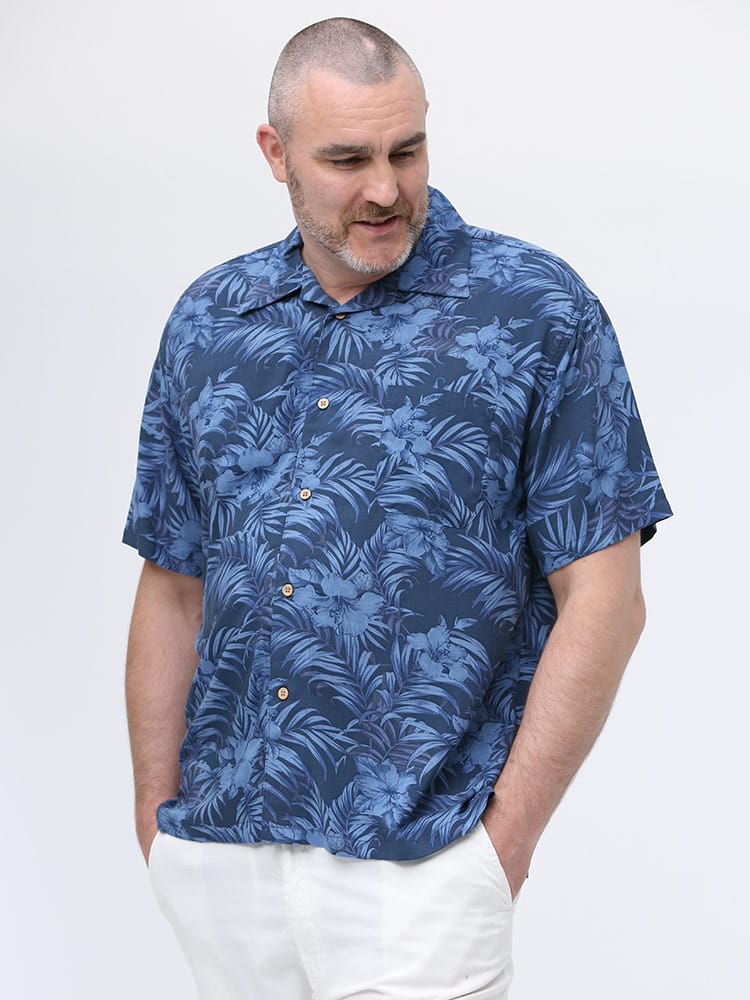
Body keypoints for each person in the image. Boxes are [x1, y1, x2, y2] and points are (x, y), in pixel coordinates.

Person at [123, 17, 671, 1000]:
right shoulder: (210, 320)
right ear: (276, 153)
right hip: (222, 860)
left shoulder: (534, 310)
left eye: (406, 150)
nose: (384, 188)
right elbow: (173, 586)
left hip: (423, 871)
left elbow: (607, 597)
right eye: (346, 160)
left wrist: (502, 845)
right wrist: (157, 827)